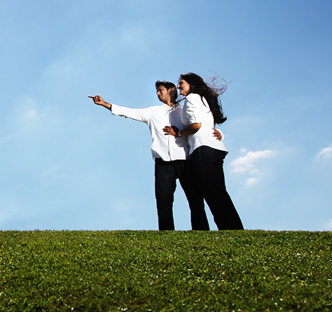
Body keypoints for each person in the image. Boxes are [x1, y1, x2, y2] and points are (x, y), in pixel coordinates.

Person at [89, 82, 210, 231]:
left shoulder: (184, 110)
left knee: (195, 199)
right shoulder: (153, 112)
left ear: (171, 91)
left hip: (185, 160)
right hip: (163, 163)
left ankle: (202, 231)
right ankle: (166, 234)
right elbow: (129, 112)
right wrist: (104, 104)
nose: (157, 94)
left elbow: (199, 124)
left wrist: (218, 134)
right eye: (157, 91)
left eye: (160, 91)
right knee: (164, 201)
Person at [163, 73, 244, 230]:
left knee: (212, 192)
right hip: (213, 149)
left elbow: (197, 125)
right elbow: (208, 125)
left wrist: (178, 133)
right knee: (218, 191)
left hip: (203, 150)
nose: (178, 86)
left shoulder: (192, 98)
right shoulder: (202, 99)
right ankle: (234, 229)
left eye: (181, 83)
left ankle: (229, 229)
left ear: (191, 84)